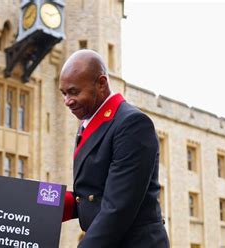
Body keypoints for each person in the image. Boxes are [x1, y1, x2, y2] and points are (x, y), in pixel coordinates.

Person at [59, 49, 169, 248]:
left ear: (101, 83)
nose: (67, 101)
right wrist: (35, 202)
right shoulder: (88, 124)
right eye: (64, 93)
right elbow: (89, 196)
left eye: (74, 92)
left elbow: (117, 208)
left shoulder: (132, 124)